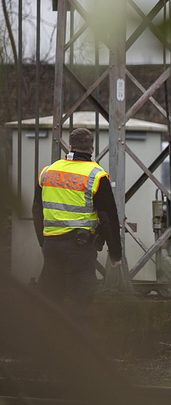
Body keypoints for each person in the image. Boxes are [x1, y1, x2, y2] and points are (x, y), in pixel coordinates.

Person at [32, 127, 122, 315]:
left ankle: (47, 340)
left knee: (51, 298)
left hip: (51, 246)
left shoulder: (48, 172)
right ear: (92, 147)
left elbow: (36, 211)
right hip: (79, 248)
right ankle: (71, 340)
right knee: (80, 300)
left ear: (70, 146)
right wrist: (115, 254)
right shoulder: (96, 175)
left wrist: (44, 241)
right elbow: (107, 218)